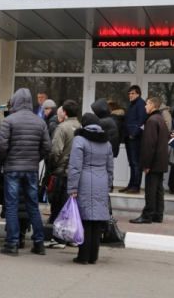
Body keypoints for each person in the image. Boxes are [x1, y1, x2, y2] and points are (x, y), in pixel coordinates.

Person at [0, 88, 51, 256]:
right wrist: (35, 159)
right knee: (33, 206)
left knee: (12, 205)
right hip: (31, 169)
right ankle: (39, 243)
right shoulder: (40, 122)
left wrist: (4, 160)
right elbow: (47, 147)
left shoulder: (9, 121)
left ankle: (12, 244)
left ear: (15, 101)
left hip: (12, 168)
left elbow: (1, 146)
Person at [67, 113, 114, 265]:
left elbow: (75, 167)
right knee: (96, 221)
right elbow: (110, 167)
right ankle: (93, 256)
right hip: (101, 181)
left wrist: (72, 188)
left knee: (85, 220)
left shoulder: (80, 140)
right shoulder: (106, 143)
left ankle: (83, 256)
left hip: (85, 181)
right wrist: (108, 184)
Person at [130, 97, 169, 224]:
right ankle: (158, 214)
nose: (145, 107)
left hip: (153, 162)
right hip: (160, 161)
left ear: (153, 105)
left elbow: (149, 144)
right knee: (158, 189)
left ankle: (147, 215)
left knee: (150, 190)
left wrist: (146, 165)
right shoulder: (160, 119)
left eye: (147, 104)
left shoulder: (151, 121)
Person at [48, 100, 81, 226]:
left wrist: (52, 165)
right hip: (75, 172)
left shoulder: (62, 128)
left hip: (61, 172)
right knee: (69, 205)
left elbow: (55, 151)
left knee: (57, 205)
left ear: (65, 112)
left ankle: (57, 232)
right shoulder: (81, 127)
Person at [120, 85, 147, 194]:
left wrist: (133, 134)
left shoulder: (140, 104)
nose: (130, 95)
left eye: (132, 93)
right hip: (129, 137)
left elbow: (141, 120)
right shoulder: (132, 104)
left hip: (135, 138)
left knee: (135, 163)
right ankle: (131, 185)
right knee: (131, 162)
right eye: (129, 93)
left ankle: (135, 186)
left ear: (138, 94)